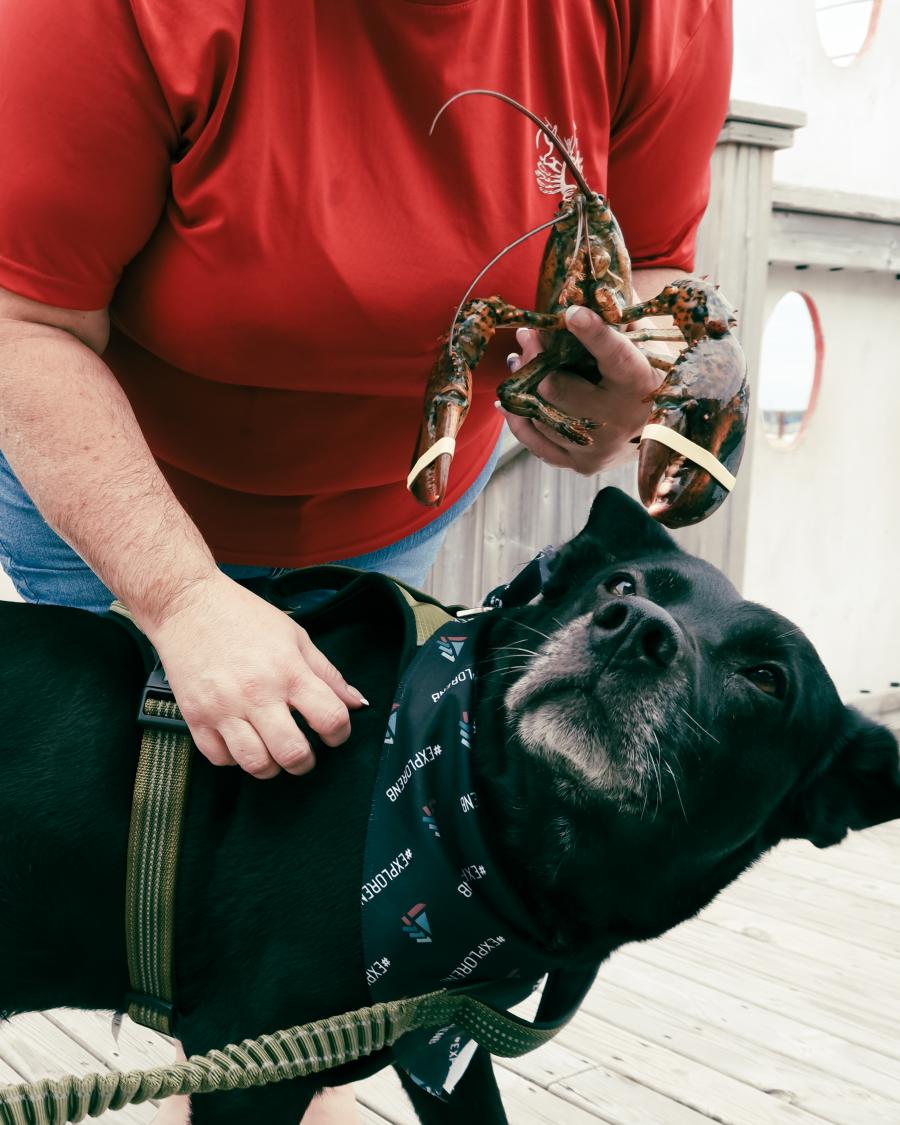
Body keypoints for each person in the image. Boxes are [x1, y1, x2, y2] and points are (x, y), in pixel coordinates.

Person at [0, 1, 731, 1120]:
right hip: (111, 481)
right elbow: (23, 323)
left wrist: (612, 386)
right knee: (137, 849)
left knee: (308, 844)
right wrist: (184, 600)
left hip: (397, 492)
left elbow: (661, 265)